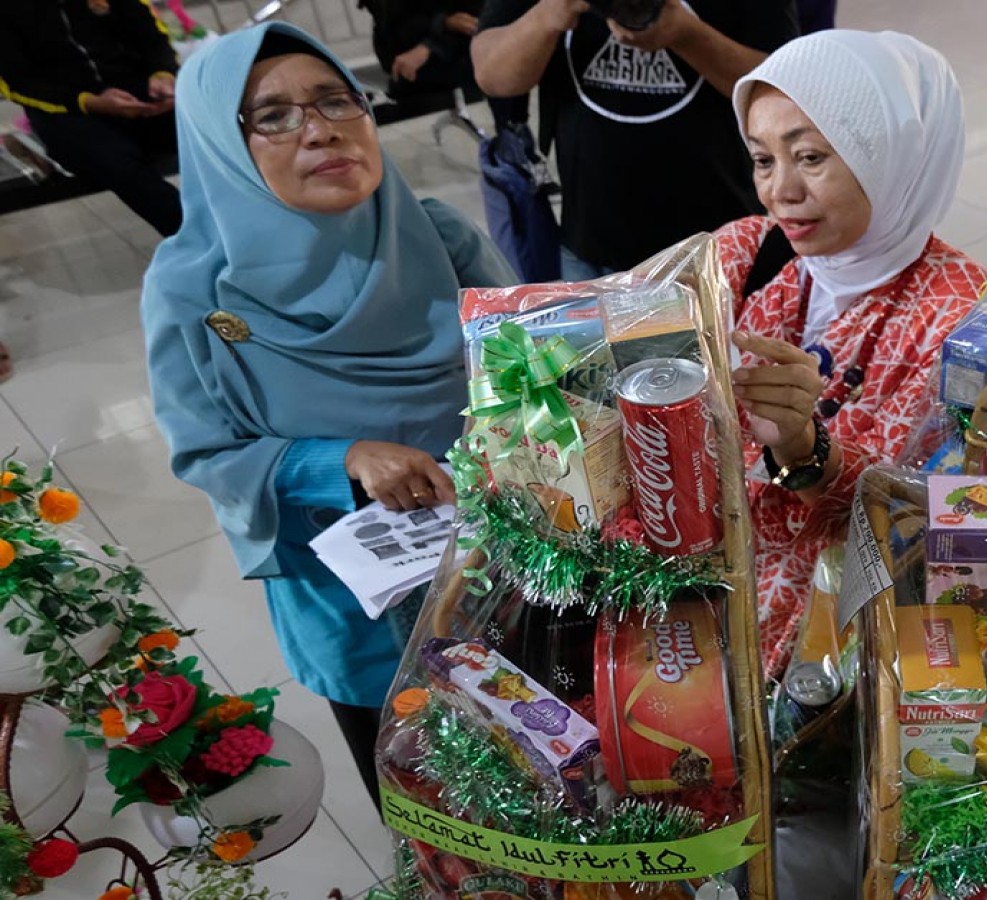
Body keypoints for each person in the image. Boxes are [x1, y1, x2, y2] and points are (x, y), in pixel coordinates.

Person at [141, 22, 516, 805]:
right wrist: (342, 458)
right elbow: (205, 452)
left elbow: (524, 359)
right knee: (434, 813)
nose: (319, 129)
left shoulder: (436, 235)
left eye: (335, 100)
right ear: (219, 143)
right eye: (272, 115)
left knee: (556, 768)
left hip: (503, 561)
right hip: (353, 606)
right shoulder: (194, 294)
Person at [719, 30, 987, 674]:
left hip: (828, 656)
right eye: (762, 159)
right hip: (688, 595)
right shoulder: (750, 252)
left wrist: (803, 449)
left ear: (892, 158)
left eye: (809, 157)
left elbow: (926, 522)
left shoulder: (961, 318)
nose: (780, 191)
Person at [471, 0, 798, 280]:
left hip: (722, 245)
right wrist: (547, 16)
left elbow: (780, 86)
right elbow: (491, 74)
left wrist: (687, 34)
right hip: (591, 245)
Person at [0, 0, 183, 237]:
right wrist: (89, 102)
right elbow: (17, 83)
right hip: (65, 109)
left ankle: (238, 213)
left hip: (137, 90)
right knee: (117, 163)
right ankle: (198, 237)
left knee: (213, 128)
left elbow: (152, 35)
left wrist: (162, 74)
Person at [358, 0, 523, 127]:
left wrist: (432, 44)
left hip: (463, 53)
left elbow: (476, 22)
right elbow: (393, 24)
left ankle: (513, 142)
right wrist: (444, 23)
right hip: (400, 61)